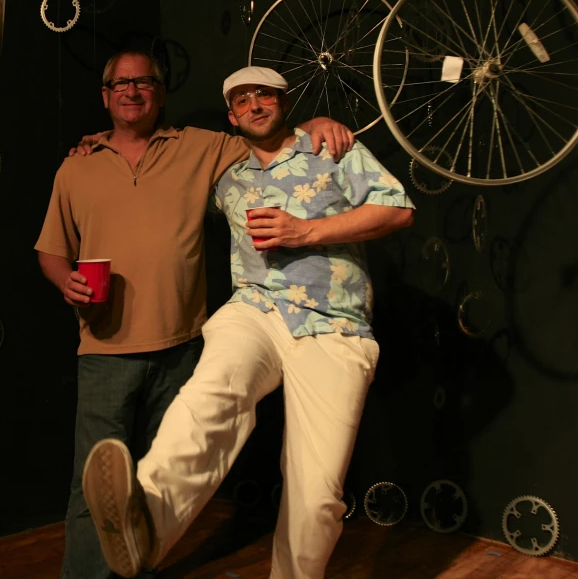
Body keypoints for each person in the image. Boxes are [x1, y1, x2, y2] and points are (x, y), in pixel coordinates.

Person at [80, 66, 416, 579]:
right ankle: (144, 514)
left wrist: (307, 231)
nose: (255, 105)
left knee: (316, 495)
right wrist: (98, 143)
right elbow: (146, 174)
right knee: (210, 393)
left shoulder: (330, 149)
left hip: (334, 327)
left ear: (283, 102)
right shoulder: (227, 176)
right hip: (256, 311)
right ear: (232, 115)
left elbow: (397, 210)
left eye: (265, 95)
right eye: (242, 99)